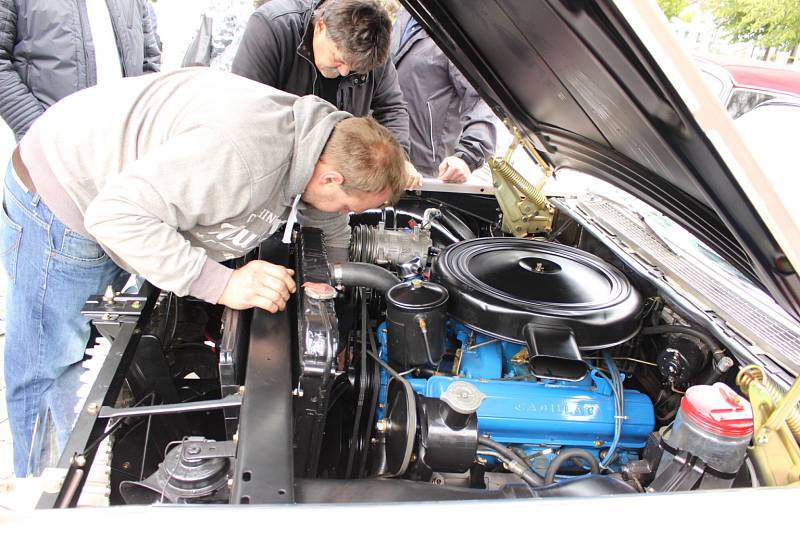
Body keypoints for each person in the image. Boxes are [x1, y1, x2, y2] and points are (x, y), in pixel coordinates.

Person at [0, 67, 407, 476]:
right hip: (64, 196)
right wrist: (222, 283)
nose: (344, 216)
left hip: (123, 184)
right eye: (348, 206)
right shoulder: (242, 159)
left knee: (85, 344)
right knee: (51, 363)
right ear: (331, 176)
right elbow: (116, 217)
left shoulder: (319, 138)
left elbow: (328, 218)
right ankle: (39, 491)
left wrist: (329, 282)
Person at [231, 0, 422, 187]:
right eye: (339, 60)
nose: (345, 71)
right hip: (270, 172)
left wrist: (399, 161)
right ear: (320, 26)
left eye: (355, 68)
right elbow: (248, 112)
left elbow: (391, 108)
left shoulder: (372, 47)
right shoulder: (273, 27)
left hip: (334, 180)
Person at [0, 0, 161, 142]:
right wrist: (37, 131)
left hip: (124, 147)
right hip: (54, 152)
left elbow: (149, 59)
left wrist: (141, 125)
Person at [390, 10, 497, 184]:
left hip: (425, 173)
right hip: (384, 161)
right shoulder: (407, 15)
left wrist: (467, 157)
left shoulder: (459, 33)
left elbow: (481, 99)